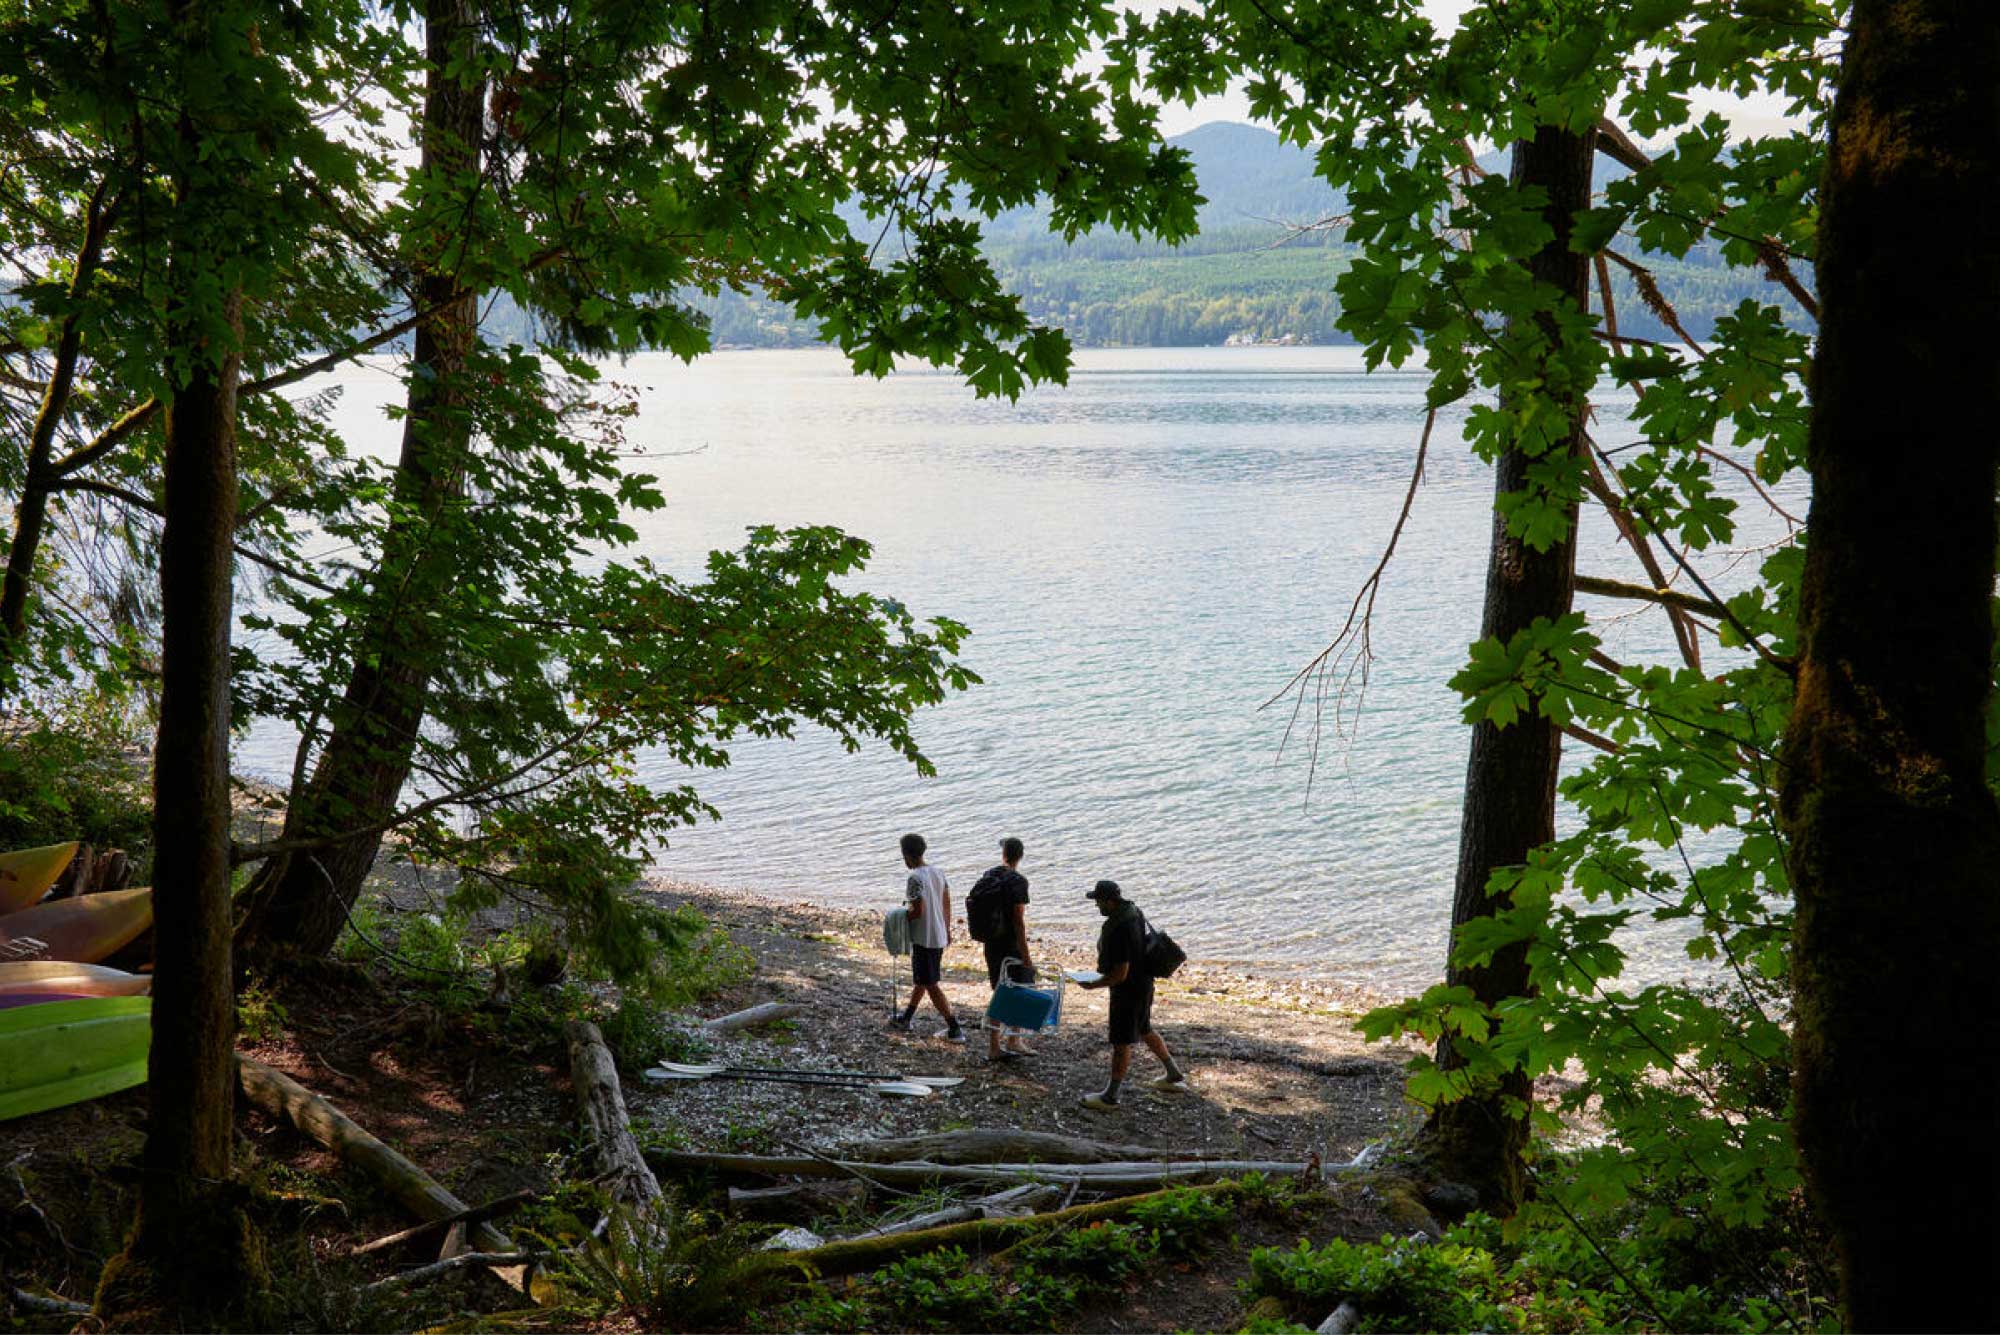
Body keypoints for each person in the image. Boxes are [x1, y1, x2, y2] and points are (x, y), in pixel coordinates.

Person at [1074, 879, 1188, 1109]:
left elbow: (1120, 973)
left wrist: (1094, 984)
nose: (1097, 906)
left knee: (1121, 1042)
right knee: (1144, 1028)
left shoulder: (1119, 929)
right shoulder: (1134, 911)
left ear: (1109, 901)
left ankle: (1110, 1096)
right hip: (1145, 983)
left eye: (1098, 901)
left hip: (1127, 991)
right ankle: (1173, 1073)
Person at [888, 832, 965, 1041]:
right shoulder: (938, 873)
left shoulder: (915, 878)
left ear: (907, 855)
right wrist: (946, 929)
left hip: (924, 938)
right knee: (922, 979)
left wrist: (900, 918)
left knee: (930, 983)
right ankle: (906, 1017)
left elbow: (918, 911)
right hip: (938, 934)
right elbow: (946, 902)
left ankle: (954, 1027)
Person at [970, 836, 1036, 1062]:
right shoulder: (1018, 881)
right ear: (1021, 855)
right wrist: (1026, 954)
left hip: (991, 942)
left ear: (1003, 854)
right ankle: (1006, 1043)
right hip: (1009, 944)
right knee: (1018, 989)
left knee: (1000, 990)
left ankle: (1002, 1043)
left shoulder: (989, 875)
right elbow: (1018, 920)